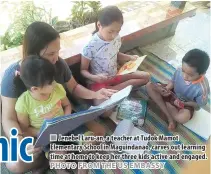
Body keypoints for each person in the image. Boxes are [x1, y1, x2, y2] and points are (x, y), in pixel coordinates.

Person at [1, 21, 116, 174]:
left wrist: (96, 94)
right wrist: (20, 139)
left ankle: (59, 156)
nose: (56, 58)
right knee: (15, 166)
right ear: (33, 54)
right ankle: (57, 155)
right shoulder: (12, 76)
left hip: (62, 118)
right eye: (50, 54)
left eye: (57, 52)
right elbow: (8, 119)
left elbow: (74, 87)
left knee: (99, 132)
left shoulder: (58, 64)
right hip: (35, 130)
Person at [81, 6, 150, 111]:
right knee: (104, 112)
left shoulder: (116, 38)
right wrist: (95, 77)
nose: (114, 35)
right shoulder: (90, 47)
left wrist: (129, 57)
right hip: (99, 82)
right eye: (110, 31)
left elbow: (115, 54)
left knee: (146, 77)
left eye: (117, 31)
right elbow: (83, 70)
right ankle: (118, 90)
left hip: (115, 75)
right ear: (99, 25)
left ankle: (115, 91)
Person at [15, 56, 72, 174]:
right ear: (35, 89)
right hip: (46, 136)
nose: (55, 83)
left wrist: (67, 118)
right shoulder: (23, 103)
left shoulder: (57, 89)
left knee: (89, 141)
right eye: (50, 82)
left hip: (65, 126)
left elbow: (67, 105)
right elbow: (25, 129)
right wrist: (44, 132)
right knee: (58, 157)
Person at [146, 49, 210, 131]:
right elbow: (173, 81)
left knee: (182, 118)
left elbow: (198, 106)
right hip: (173, 93)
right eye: (183, 71)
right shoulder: (180, 69)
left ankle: (166, 109)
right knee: (149, 86)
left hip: (186, 103)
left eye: (190, 75)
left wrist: (184, 103)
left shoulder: (202, 88)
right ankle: (170, 116)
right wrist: (166, 88)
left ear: (202, 74)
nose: (184, 76)